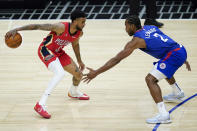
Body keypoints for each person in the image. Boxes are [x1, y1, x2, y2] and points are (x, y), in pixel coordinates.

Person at [83, 16, 191, 124]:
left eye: (126, 26)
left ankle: (164, 115)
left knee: (150, 79)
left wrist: (96, 72)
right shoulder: (151, 27)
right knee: (162, 68)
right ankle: (178, 93)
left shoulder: (136, 41)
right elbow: (166, 42)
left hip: (174, 55)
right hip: (180, 49)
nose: (125, 29)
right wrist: (182, 57)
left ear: (132, 26)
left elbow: (116, 59)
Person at [5, 10, 89, 119]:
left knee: (78, 75)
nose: (84, 24)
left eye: (85, 22)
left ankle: (73, 92)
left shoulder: (79, 33)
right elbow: (38, 26)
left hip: (58, 52)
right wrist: (17, 29)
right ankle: (41, 104)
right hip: (45, 50)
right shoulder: (60, 27)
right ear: (74, 22)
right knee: (60, 73)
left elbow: (75, 45)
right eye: (82, 22)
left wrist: (80, 61)